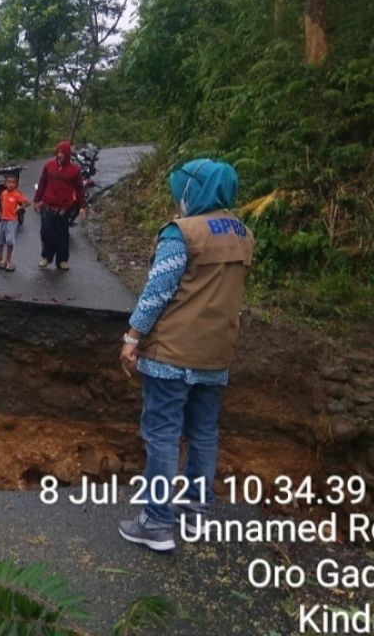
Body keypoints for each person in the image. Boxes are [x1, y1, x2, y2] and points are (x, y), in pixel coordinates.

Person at [118, 159, 254, 552]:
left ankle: (157, 522)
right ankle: (197, 511)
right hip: (216, 352)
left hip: (173, 352)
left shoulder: (183, 233)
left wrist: (132, 336)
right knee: (203, 431)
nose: (178, 199)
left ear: (193, 191)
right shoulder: (243, 234)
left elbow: (159, 291)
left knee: (161, 432)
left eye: (181, 191)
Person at [33, 140, 86, 270]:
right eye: (58, 152)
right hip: (47, 207)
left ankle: (62, 260)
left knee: (62, 235)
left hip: (63, 209)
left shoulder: (74, 171)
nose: (60, 155)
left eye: (62, 152)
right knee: (47, 233)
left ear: (67, 154)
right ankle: (46, 257)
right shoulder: (49, 166)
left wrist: (83, 206)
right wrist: (36, 200)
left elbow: (79, 189)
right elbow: (42, 182)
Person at [0, 172, 28, 271]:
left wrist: (19, 208)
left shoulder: (17, 194)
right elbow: (1, 204)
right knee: (0, 240)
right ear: (5, 184)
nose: (11, 184)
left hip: (12, 221)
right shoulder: (3, 193)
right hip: (3, 219)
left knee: (9, 241)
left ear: (16, 184)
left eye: (13, 182)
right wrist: (0, 213)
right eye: (9, 182)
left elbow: (27, 203)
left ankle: (8, 260)